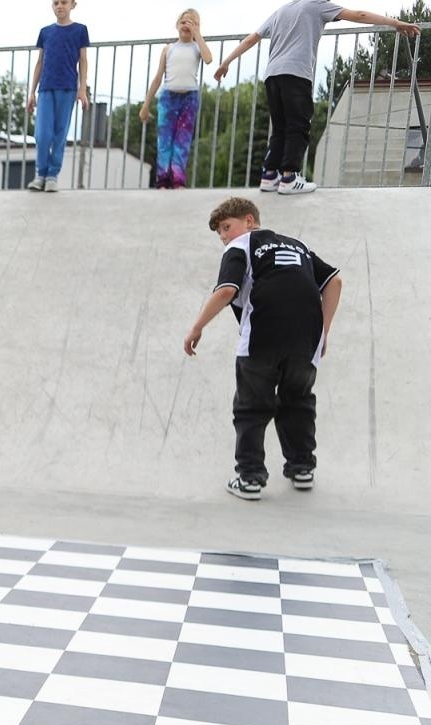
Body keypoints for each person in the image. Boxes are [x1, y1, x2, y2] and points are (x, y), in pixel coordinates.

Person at [183, 196, 341, 500]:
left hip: (262, 337)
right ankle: (302, 467)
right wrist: (323, 330)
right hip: (305, 340)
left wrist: (197, 327)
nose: (224, 237)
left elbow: (227, 290)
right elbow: (334, 282)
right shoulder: (299, 246)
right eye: (219, 234)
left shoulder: (240, 247)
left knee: (251, 407)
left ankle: (250, 477)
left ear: (249, 221)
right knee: (298, 401)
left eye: (227, 227)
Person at [215, 2, 421, 195]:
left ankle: (269, 175)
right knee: (298, 125)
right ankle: (289, 177)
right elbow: (359, 15)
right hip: (296, 73)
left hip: (272, 75)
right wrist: (396, 23)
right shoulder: (316, 4)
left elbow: (252, 38)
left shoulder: (281, 11)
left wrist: (226, 62)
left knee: (279, 127)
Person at [141, 10, 214, 189]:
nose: (187, 24)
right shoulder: (169, 49)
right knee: (164, 141)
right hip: (168, 98)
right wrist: (146, 104)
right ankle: (163, 180)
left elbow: (209, 58)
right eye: (183, 21)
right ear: (177, 25)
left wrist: (197, 34)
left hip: (189, 99)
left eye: (192, 22)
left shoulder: (197, 48)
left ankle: (178, 180)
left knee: (182, 142)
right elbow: (158, 77)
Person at [26, 0, 91, 192]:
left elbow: (83, 61)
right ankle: (41, 174)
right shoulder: (45, 32)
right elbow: (40, 62)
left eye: (64, 2)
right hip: (46, 88)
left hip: (68, 88)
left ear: (73, 5)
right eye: (56, 3)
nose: (59, 6)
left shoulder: (80, 30)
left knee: (60, 133)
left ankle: (52, 175)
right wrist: (31, 92)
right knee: (42, 134)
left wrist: (82, 89)